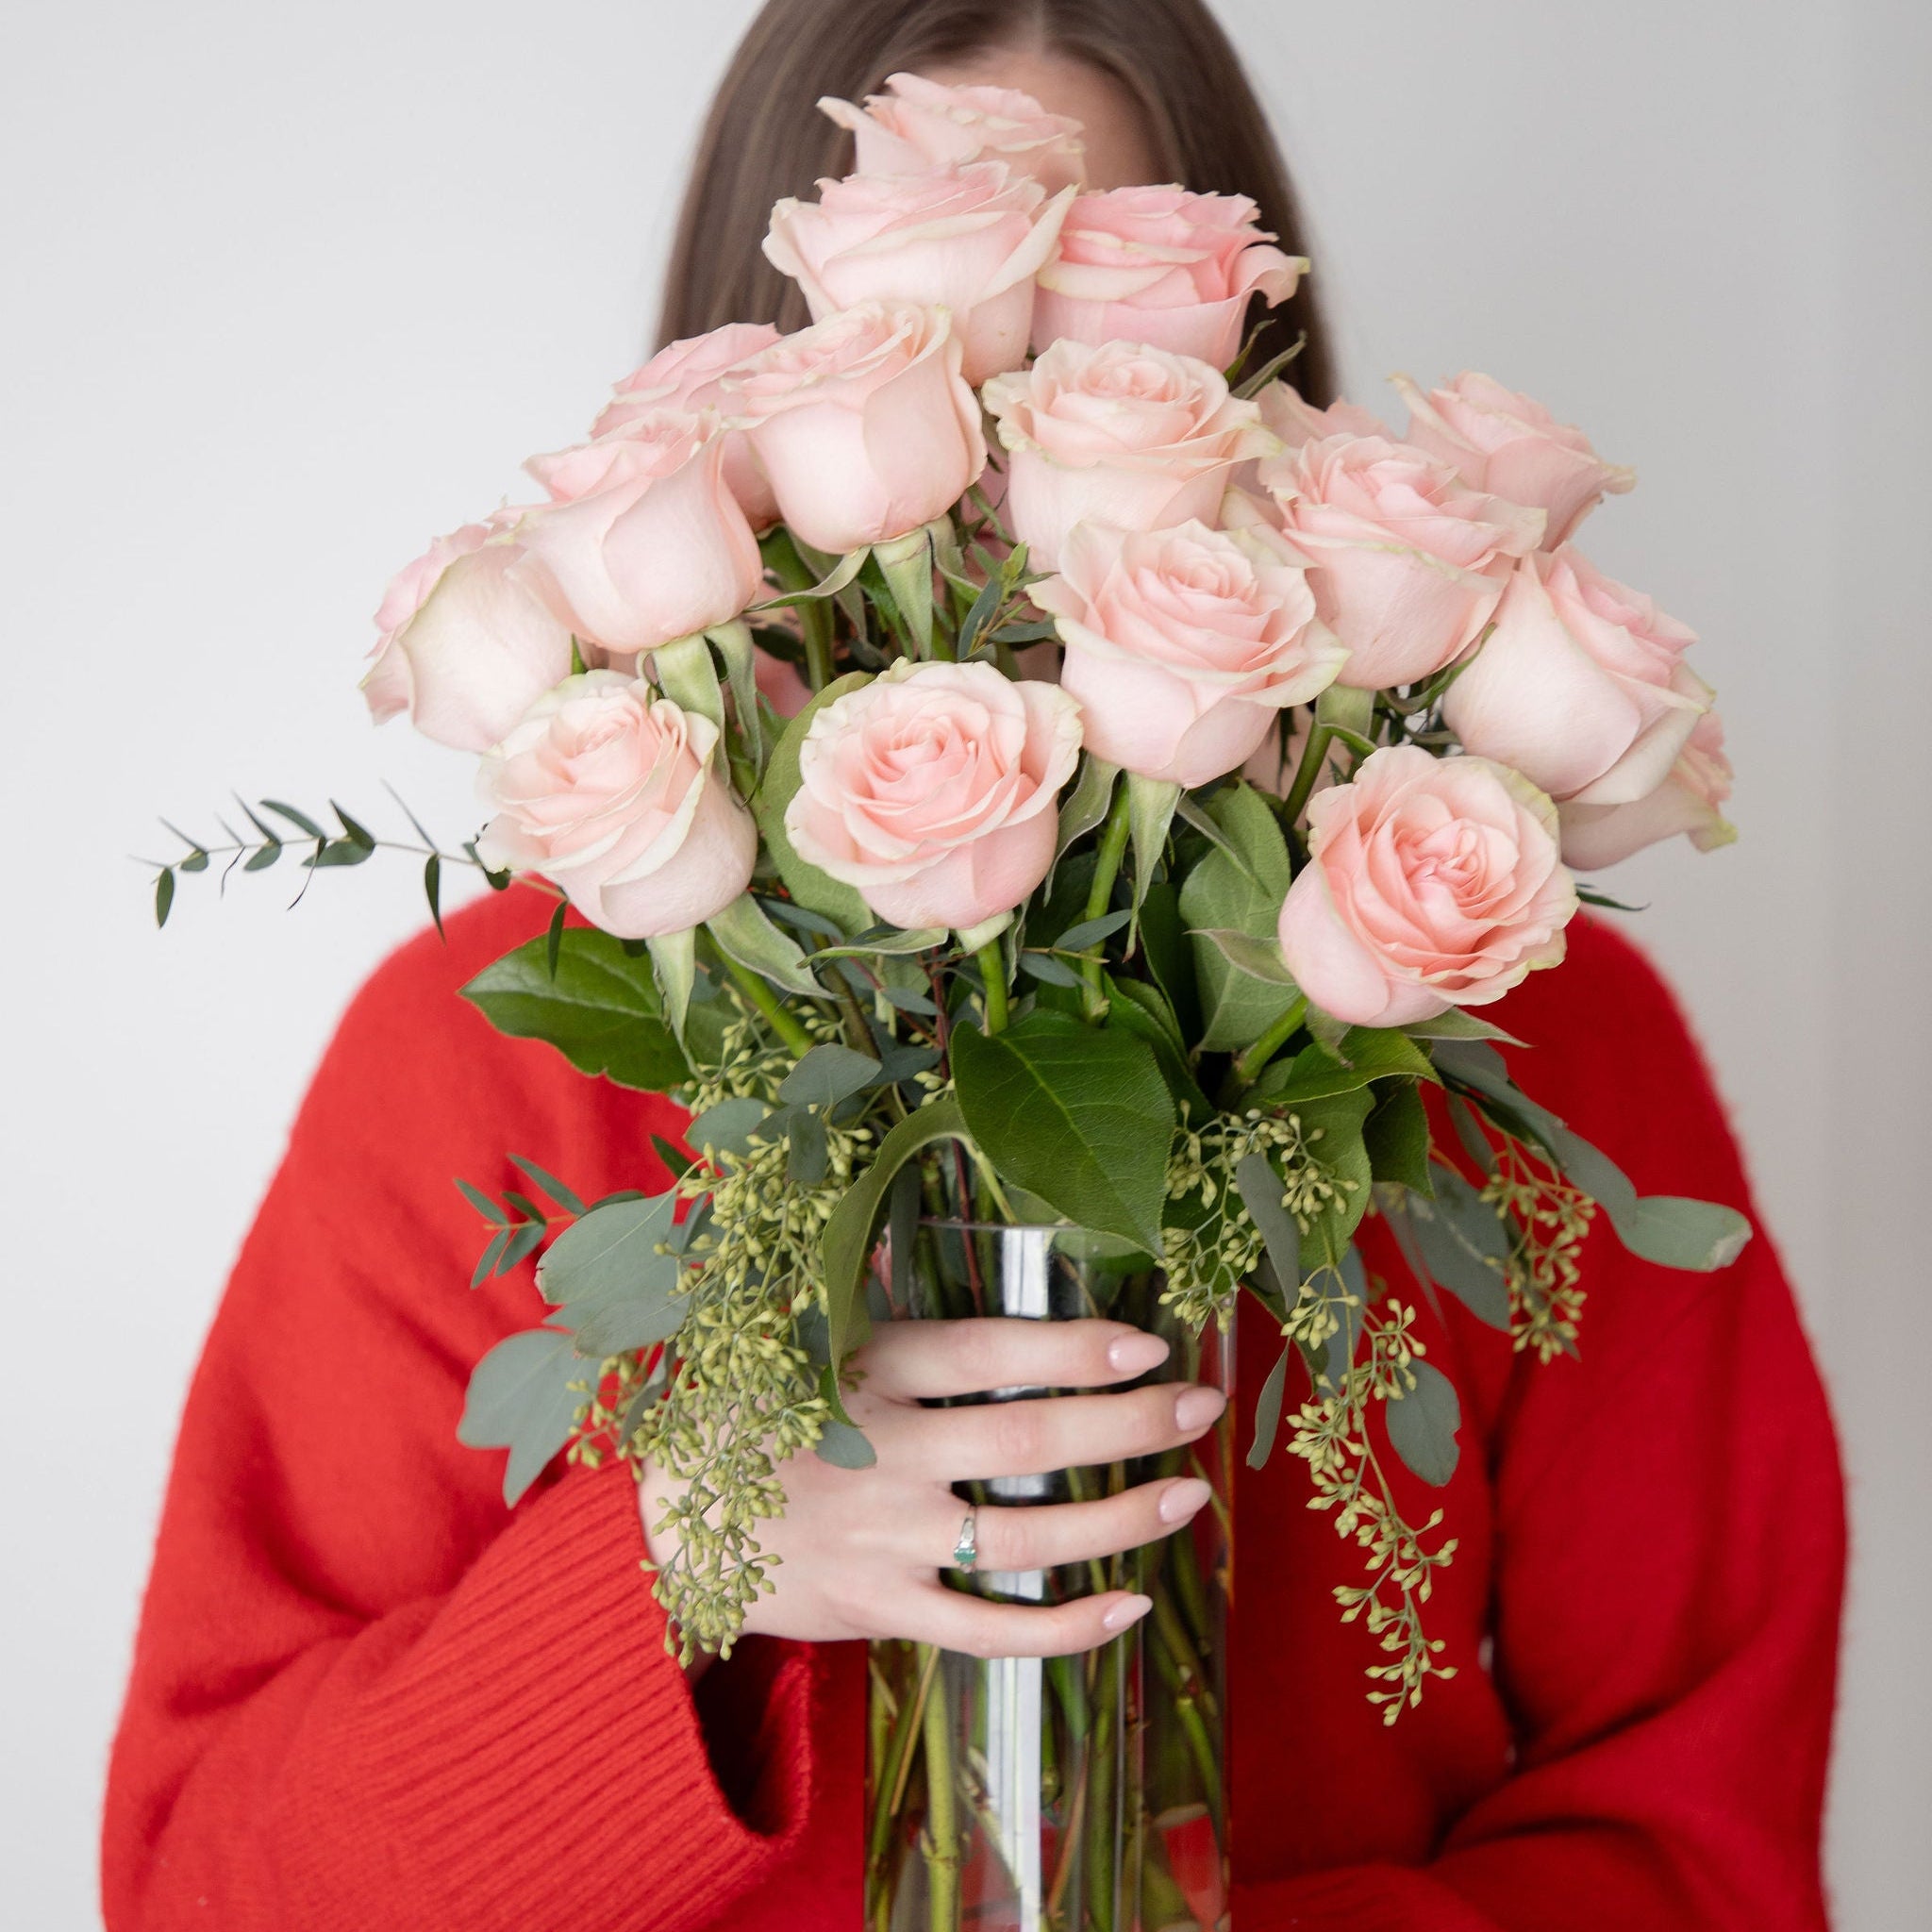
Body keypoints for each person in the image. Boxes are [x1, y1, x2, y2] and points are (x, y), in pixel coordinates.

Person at [102, 3, 1845, 1927]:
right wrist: (688, 1549)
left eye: (1082, 336)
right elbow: (200, 1882)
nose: (1003, 465)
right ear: (736, 416)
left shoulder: (1531, 1021)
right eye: (906, 360)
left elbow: (1700, 1845)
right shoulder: (480, 1056)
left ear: (1255, 398)